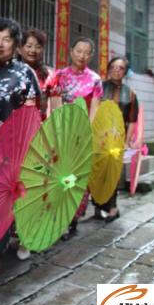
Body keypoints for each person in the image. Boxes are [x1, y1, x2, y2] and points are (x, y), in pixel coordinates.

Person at [0, 18, 41, 274]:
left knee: (5, 198)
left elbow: (34, 111)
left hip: (13, 146)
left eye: (6, 39)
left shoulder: (26, 73)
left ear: (16, 44)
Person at [48, 37, 103, 240]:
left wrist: (84, 137)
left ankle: (73, 216)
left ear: (91, 55)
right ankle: (60, 219)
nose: (82, 56)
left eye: (87, 52)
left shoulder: (95, 80)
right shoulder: (58, 76)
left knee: (77, 178)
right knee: (59, 176)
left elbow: (94, 111)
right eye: (78, 51)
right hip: (60, 134)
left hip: (82, 136)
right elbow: (54, 107)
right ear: (71, 51)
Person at [98, 57, 138, 223]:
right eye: (113, 66)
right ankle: (98, 206)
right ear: (108, 69)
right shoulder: (99, 87)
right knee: (97, 173)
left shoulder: (130, 93)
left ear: (125, 72)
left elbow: (132, 120)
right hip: (99, 137)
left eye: (120, 68)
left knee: (112, 175)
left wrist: (127, 141)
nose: (116, 70)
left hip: (117, 139)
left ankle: (113, 208)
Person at [18, 28, 55, 121]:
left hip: (41, 129)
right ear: (19, 49)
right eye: (29, 46)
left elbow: (56, 109)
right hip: (14, 128)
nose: (33, 50)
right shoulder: (10, 74)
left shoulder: (50, 76)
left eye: (38, 46)